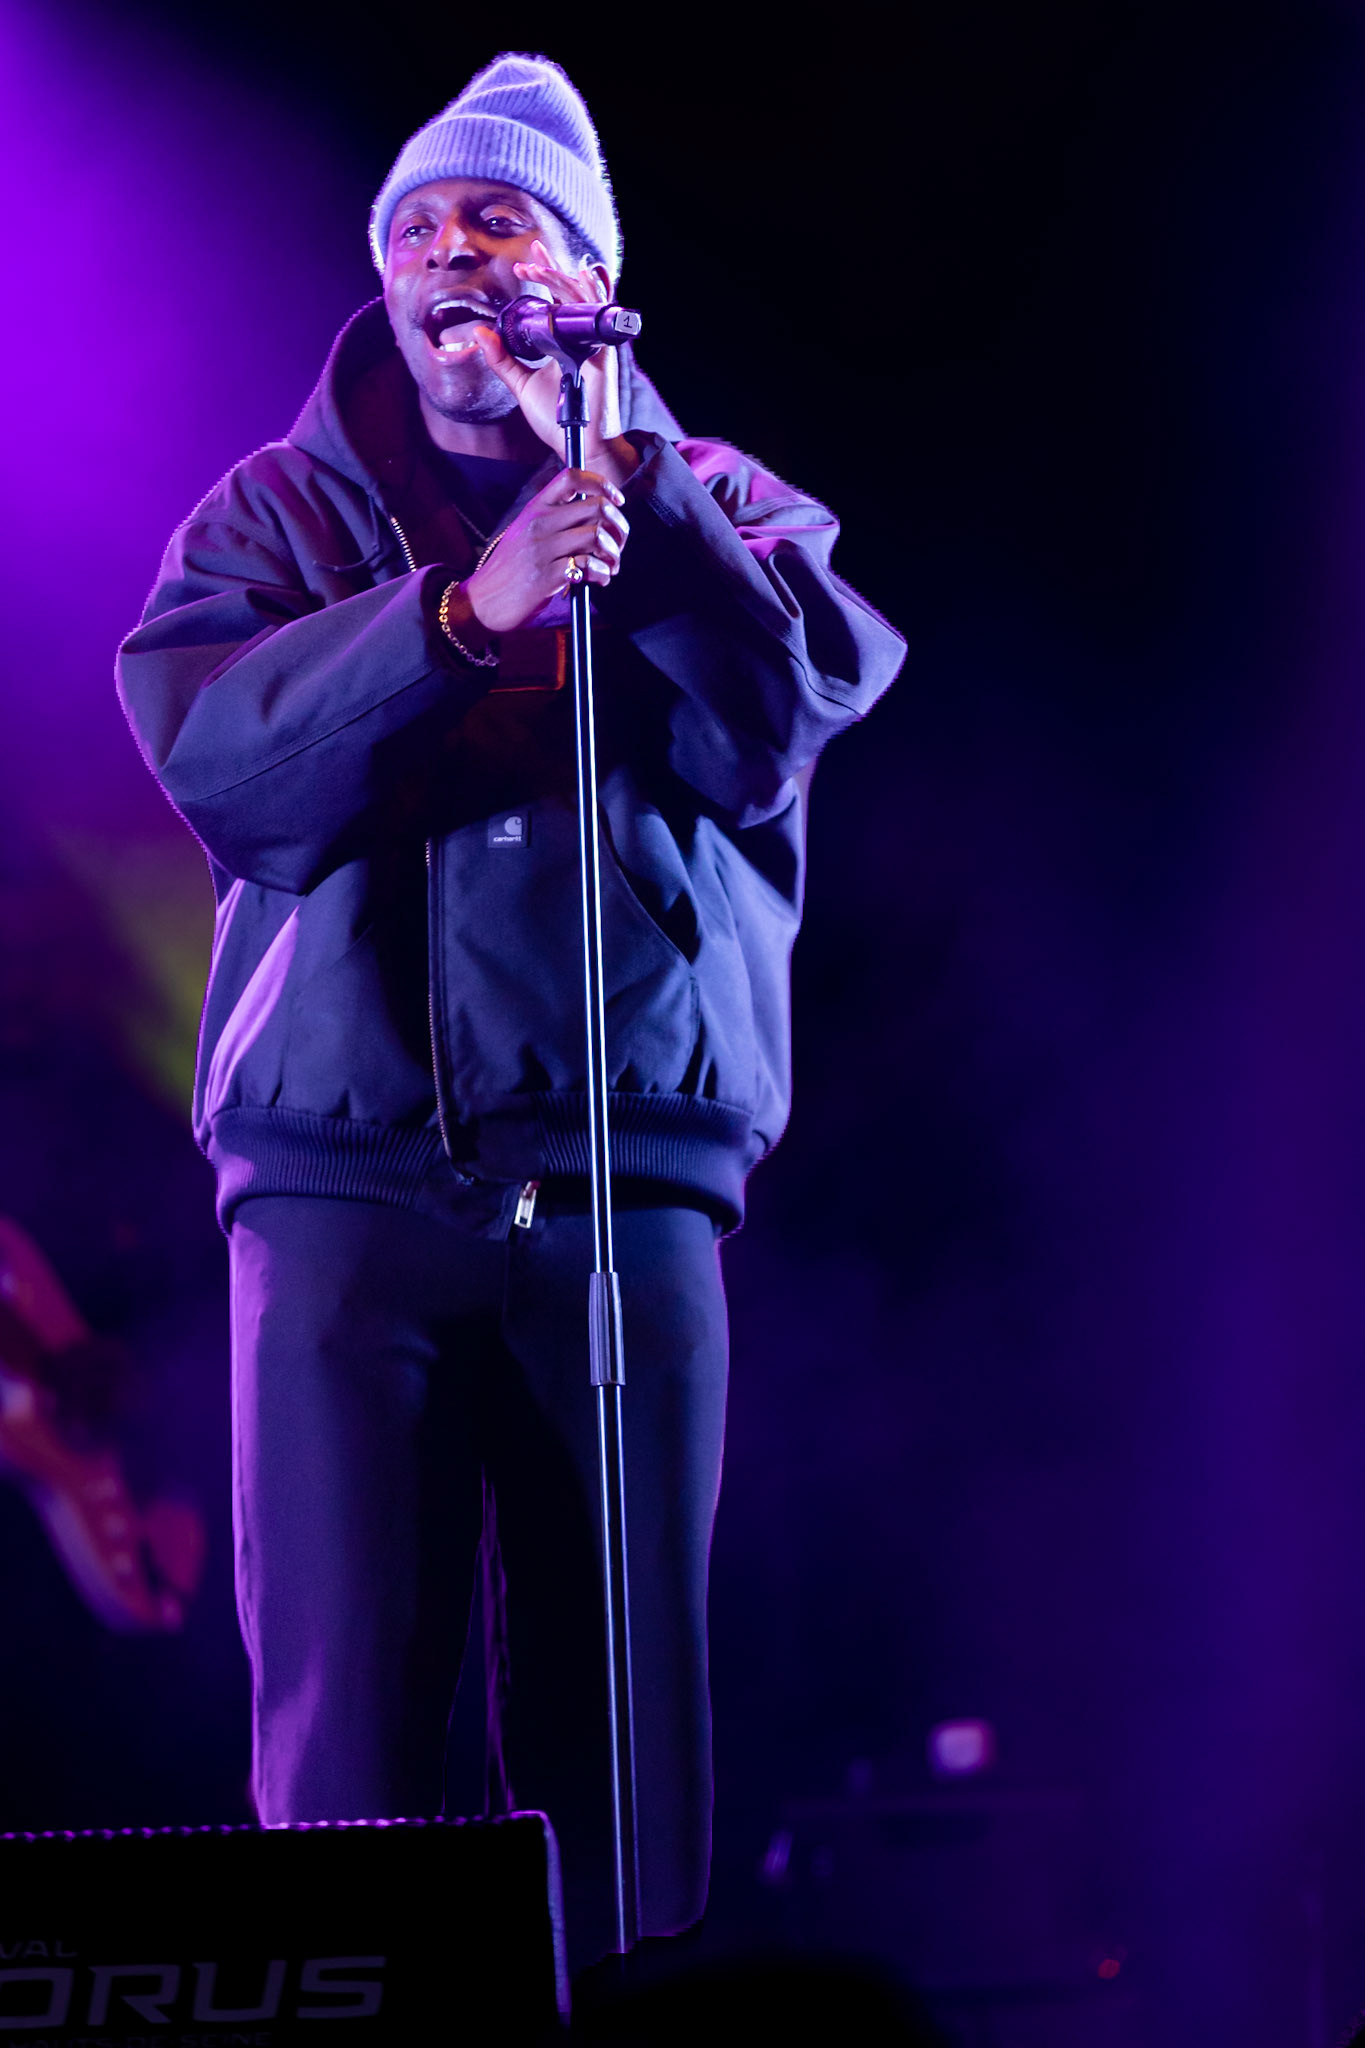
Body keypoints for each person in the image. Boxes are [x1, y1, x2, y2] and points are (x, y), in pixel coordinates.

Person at [116, 53, 904, 1969]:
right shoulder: (272, 512)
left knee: (618, 1726)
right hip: (339, 1188)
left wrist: (625, 495)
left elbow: (781, 719)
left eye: (500, 216)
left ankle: (622, 2010)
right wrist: (454, 618)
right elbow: (219, 759)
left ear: (587, 267)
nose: (450, 251)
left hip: (620, 1174)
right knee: (343, 1747)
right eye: (414, 227)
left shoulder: (718, 499)